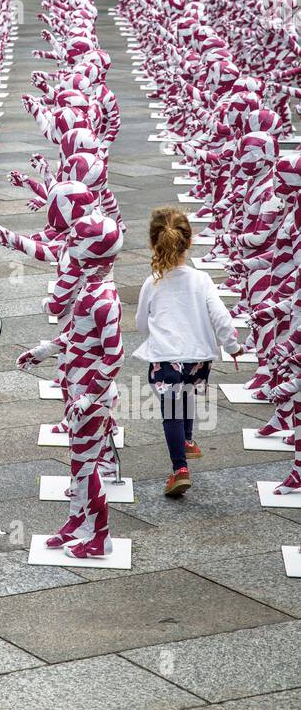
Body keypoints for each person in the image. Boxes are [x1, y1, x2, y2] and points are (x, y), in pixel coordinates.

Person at [135, 208, 240, 498]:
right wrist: (232, 346)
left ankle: (179, 469)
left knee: (171, 411)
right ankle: (189, 440)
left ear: (153, 243)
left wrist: (155, 333)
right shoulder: (202, 280)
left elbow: (141, 323)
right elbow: (221, 317)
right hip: (198, 357)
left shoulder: (152, 282)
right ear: (188, 242)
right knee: (187, 395)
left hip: (167, 356)